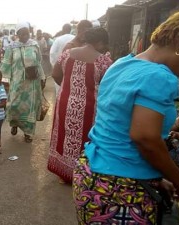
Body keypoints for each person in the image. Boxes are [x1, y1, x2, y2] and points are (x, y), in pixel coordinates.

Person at [73, 11, 179, 224]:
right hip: (121, 190)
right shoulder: (160, 76)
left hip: (92, 175)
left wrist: (155, 178)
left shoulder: (122, 64)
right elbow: (145, 138)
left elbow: (119, 130)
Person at [47, 28, 112, 183]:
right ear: (100, 42)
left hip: (65, 102)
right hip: (89, 108)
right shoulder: (104, 62)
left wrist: (67, 88)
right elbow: (108, 87)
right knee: (86, 139)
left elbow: (55, 74)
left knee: (63, 136)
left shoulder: (67, 53)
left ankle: (64, 175)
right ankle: (82, 176)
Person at [0, 21, 46, 143]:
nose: (25, 36)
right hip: (17, 82)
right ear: (18, 33)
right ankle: (14, 124)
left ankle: (28, 133)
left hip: (32, 84)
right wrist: (4, 80)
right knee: (13, 105)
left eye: (27, 33)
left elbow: (39, 62)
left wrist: (42, 78)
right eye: (22, 33)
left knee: (30, 108)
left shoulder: (34, 45)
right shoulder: (11, 47)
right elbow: (6, 64)